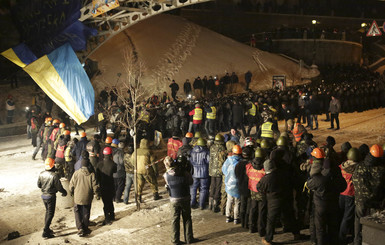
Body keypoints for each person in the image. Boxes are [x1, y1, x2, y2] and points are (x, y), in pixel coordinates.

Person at [352, 144, 385, 245]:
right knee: (373, 223)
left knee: (358, 220)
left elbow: (355, 181)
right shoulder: (382, 169)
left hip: (361, 199)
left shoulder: (360, 166)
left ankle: (357, 241)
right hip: (376, 201)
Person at [164, 156, 196, 245]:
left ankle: (175, 240)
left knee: (175, 219)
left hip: (174, 199)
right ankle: (189, 238)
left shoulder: (166, 175)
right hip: (185, 198)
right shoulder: (185, 173)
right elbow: (191, 182)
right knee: (187, 218)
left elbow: (168, 186)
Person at [69, 151, 100, 237]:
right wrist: (97, 195)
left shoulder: (76, 173)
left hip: (77, 197)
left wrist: (72, 192)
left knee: (77, 212)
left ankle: (80, 228)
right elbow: (95, 187)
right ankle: (85, 228)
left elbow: (71, 186)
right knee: (86, 212)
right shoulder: (92, 175)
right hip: (87, 197)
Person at [37, 158, 67, 238]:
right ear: (52, 165)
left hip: (43, 196)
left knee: (48, 213)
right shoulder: (54, 175)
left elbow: (39, 185)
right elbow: (59, 187)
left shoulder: (41, 174)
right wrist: (64, 192)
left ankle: (47, 229)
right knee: (50, 214)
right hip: (51, 196)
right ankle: (45, 231)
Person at [96, 146, 117, 225]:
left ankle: (107, 219)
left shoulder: (99, 164)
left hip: (103, 186)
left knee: (105, 203)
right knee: (110, 201)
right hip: (111, 185)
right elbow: (115, 171)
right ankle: (112, 215)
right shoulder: (113, 164)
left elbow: (97, 177)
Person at [222, 144, 242, 224]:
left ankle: (228, 216)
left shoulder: (228, 160)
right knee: (237, 202)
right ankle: (236, 218)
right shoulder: (240, 162)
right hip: (237, 186)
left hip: (229, 185)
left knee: (229, 201)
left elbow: (224, 170)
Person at [208, 133, 227, 212]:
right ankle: (215, 204)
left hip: (212, 170)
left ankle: (210, 203)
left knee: (212, 186)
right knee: (218, 187)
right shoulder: (223, 148)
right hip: (219, 170)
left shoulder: (212, 147)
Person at [190, 138, 210, 209]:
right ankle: (201, 204)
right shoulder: (206, 151)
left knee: (193, 188)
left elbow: (190, 161)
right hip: (204, 173)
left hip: (194, 173)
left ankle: (192, 203)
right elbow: (208, 161)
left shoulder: (192, 151)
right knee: (203, 189)